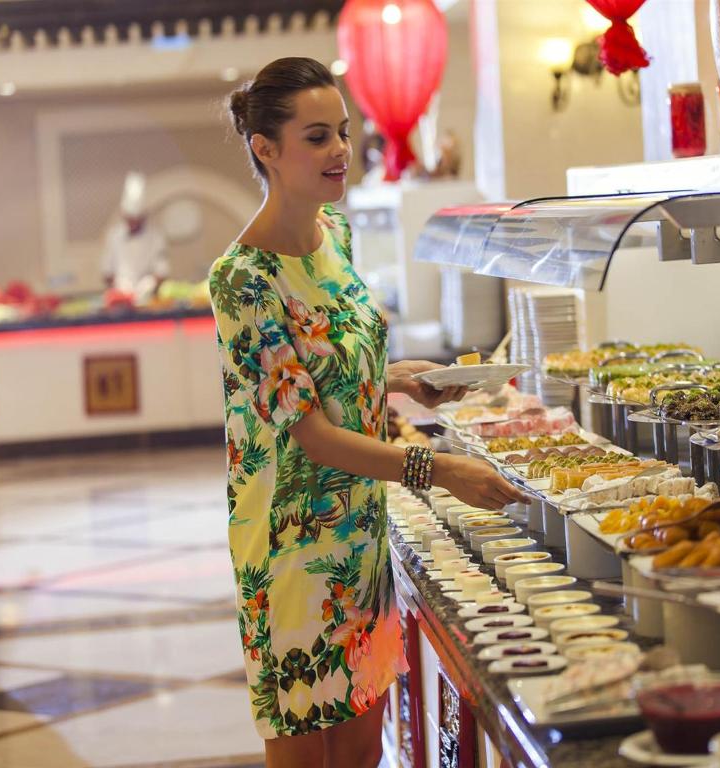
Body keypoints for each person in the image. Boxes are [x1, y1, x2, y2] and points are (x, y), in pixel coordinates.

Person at [210, 57, 528, 768]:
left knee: (361, 752)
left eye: (343, 132)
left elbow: (327, 370)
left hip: (360, 530)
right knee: (305, 753)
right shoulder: (242, 279)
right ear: (266, 148)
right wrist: (441, 470)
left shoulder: (336, 235)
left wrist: (401, 379)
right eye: (317, 136)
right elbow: (312, 433)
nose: (340, 151)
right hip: (291, 547)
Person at [102, 171, 169, 301]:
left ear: (144, 217)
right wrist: (119, 284)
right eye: (130, 219)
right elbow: (107, 272)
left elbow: (162, 271)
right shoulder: (114, 236)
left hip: (149, 299)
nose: (133, 224)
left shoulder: (156, 237)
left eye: (136, 220)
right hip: (121, 300)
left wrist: (149, 283)